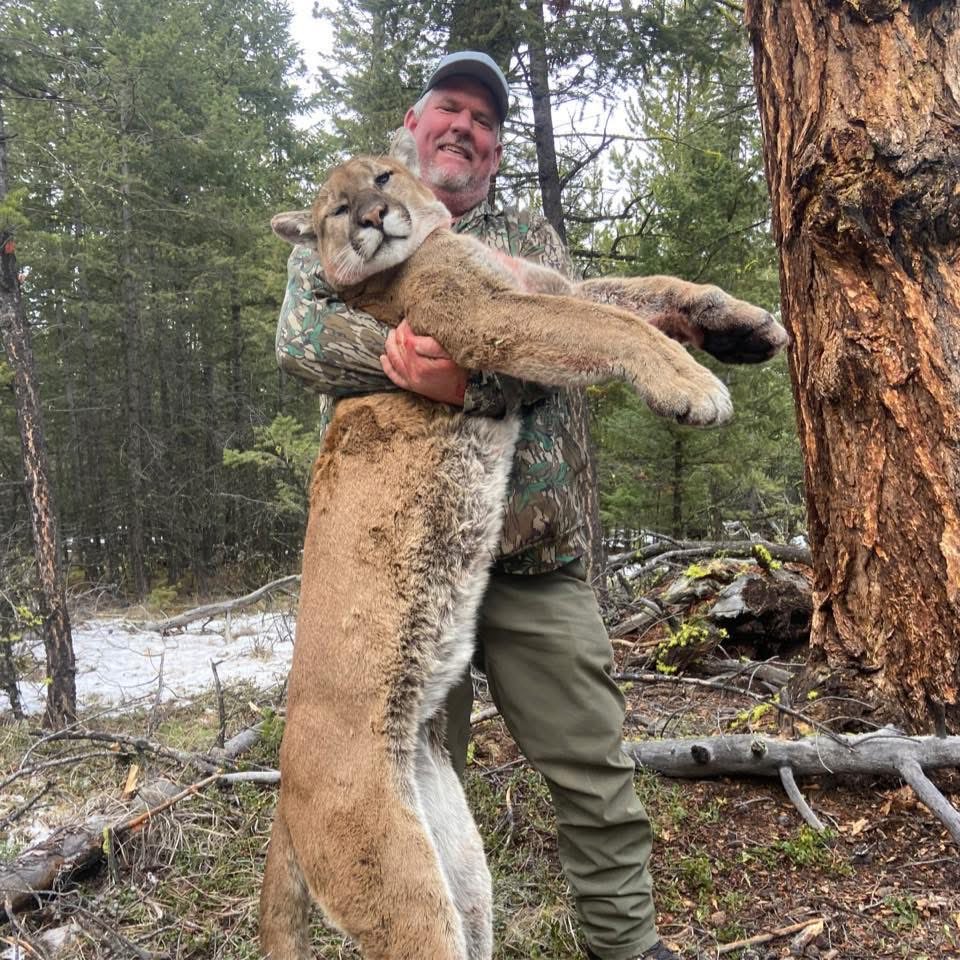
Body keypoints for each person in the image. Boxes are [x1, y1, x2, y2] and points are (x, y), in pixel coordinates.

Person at [276, 50, 680, 960]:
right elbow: (304, 340)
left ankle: (628, 947)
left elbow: (571, 343)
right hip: (399, 564)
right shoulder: (348, 219)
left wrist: (472, 377)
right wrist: (457, 343)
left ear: (495, 153)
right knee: (408, 774)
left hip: (535, 555)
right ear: (410, 135)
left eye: (486, 120)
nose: (467, 126)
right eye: (449, 109)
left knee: (594, 768)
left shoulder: (528, 242)